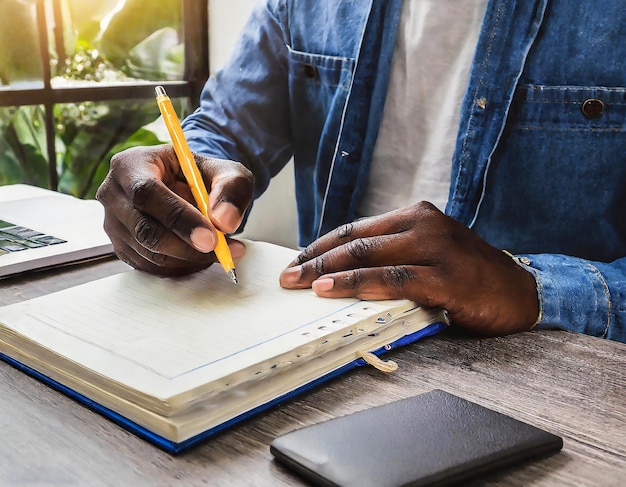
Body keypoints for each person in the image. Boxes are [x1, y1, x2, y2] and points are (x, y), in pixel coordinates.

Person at [96, 0, 626, 343]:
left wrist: (534, 287)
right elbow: (222, 130)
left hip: (547, 375)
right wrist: (179, 183)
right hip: (324, 347)